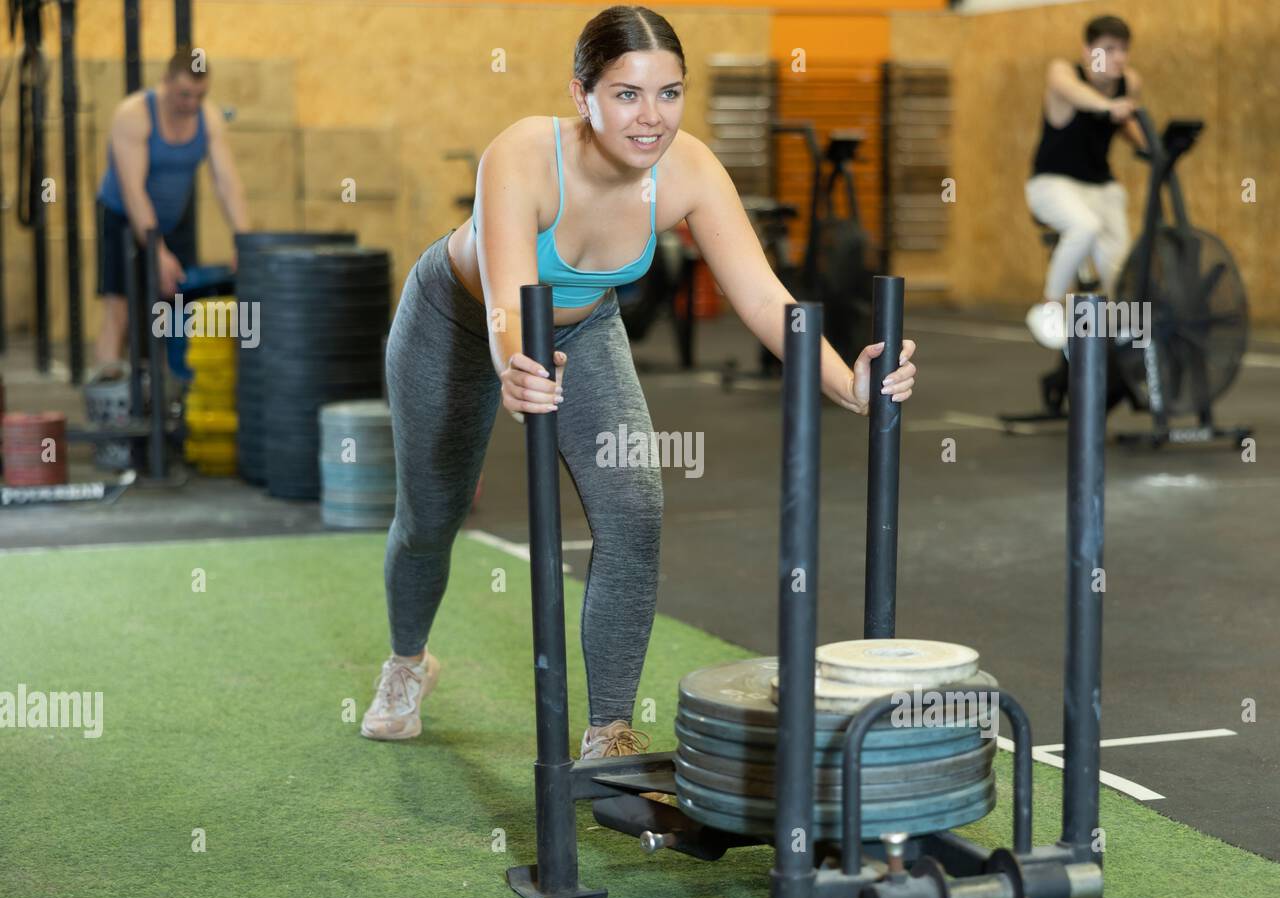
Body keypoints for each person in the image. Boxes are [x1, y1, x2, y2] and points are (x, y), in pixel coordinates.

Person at [362, 5, 918, 759]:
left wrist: (844, 385)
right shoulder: (521, 155)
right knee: (433, 515)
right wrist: (514, 366)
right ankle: (406, 661)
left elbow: (763, 298)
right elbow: (504, 298)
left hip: (587, 327)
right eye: (627, 94)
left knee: (634, 505)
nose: (651, 118)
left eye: (669, 92)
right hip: (457, 320)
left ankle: (608, 728)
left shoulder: (688, 169)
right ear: (581, 94)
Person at [94, 48, 250, 370]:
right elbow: (133, 192)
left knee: (177, 304)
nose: (191, 104)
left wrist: (243, 241)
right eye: (184, 95)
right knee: (120, 309)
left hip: (173, 221)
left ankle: (172, 390)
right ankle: (109, 394)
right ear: (165, 82)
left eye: (200, 95)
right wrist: (157, 252)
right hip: (122, 218)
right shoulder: (133, 114)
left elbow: (227, 183)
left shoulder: (208, 118)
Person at [1025, 14, 1145, 349]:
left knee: (1118, 259)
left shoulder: (1128, 83)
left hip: (1099, 185)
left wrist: (1153, 148)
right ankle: (1048, 307)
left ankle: (1121, 323)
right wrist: (1110, 106)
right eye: (1107, 49)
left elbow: (1125, 122)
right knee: (1085, 227)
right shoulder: (1063, 72)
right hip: (1052, 183)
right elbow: (1080, 96)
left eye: (1123, 50)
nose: (1117, 57)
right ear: (1087, 50)